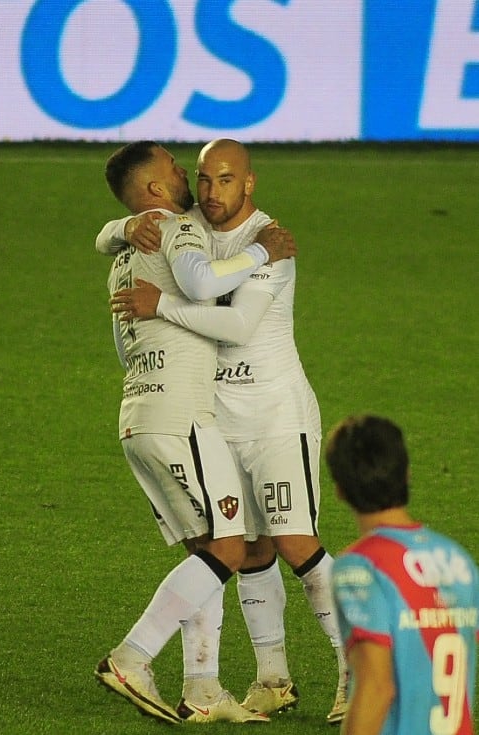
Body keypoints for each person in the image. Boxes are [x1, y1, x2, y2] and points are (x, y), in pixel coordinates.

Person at [104, 139, 349, 723]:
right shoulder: (184, 228)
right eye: (204, 179)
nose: (212, 192)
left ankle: (356, 668)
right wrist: (121, 226)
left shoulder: (272, 244)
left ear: (249, 183)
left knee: (293, 544)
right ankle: (272, 679)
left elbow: (238, 325)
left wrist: (158, 305)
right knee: (249, 551)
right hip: (213, 418)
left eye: (225, 180)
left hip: (273, 417)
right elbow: (136, 225)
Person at [327, 414, 479, 735]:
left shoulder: (361, 567)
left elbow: (376, 687)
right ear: (407, 474)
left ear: (339, 489)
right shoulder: (459, 560)